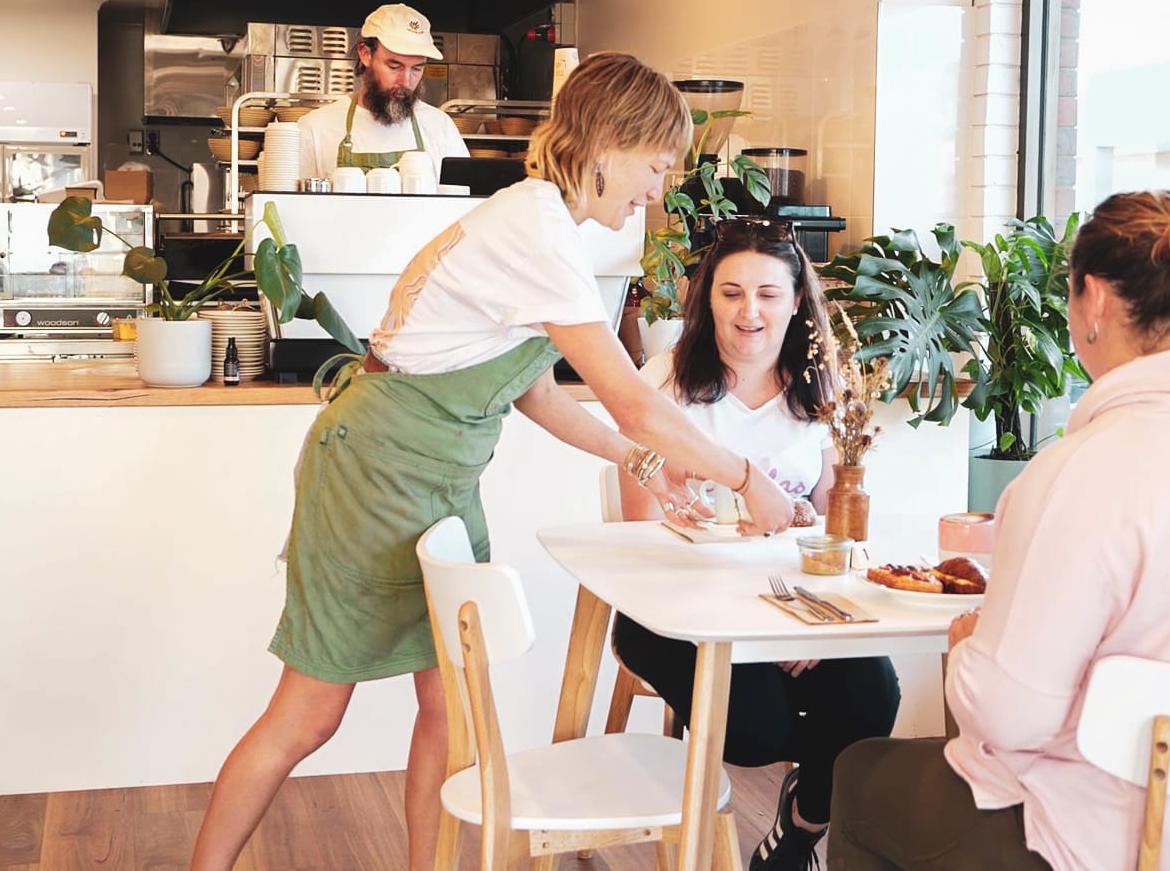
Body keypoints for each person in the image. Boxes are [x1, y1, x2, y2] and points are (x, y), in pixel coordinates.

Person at [191, 52, 797, 871]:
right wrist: (746, 479)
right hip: (376, 473)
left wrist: (644, 465)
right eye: (656, 166)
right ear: (610, 143)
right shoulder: (536, 229)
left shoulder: (545, 226)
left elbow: (536, 393)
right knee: (311, 713)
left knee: (449, 709)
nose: (658, 190)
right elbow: (630, 398)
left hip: (437, 481)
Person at [827, 191, 1170, 870]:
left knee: (862, 775)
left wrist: (970, 652)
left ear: (1095, 298)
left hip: (1122, 843)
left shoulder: (1084, 471)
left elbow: (1011, 717)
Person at [613, 218, 901, 871]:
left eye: (769, 294)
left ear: (797, 301)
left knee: (872, 693)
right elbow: (643, 539)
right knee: (753, 730)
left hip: (793, 605)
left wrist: (810, 617)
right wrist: (758, 623)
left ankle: (800, 829)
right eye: (732, 292)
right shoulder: (665, 383)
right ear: (707, 298)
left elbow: (836, 526)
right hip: (678, 612)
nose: (750, 311)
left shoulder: (822, 390)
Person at [296, 3, 470, 181]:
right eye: (394, 66)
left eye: (417, 68)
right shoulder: (316, 128)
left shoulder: (441, 127)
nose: (406, 81)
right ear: (365, 54)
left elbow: (468, 196)